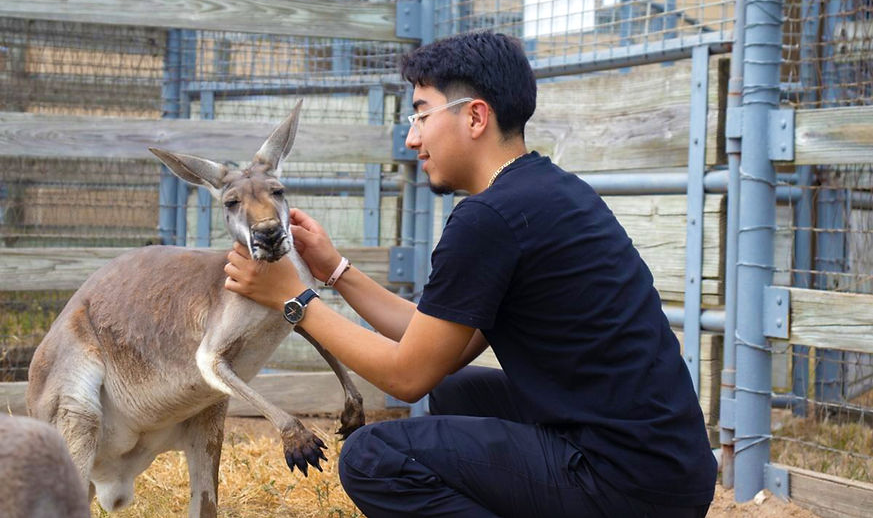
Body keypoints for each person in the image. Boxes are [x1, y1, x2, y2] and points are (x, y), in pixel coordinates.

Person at [224, 30, 717, 517]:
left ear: (476, 117)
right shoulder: (550, 190)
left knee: (372, 459)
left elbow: (406, 376)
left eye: (421, 115)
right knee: (457, 389)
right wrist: (335, 270)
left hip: (621, 485)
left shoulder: (489, 218)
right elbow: (436, 346)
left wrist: (294, 299)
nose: (412, 138)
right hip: (666, 471)